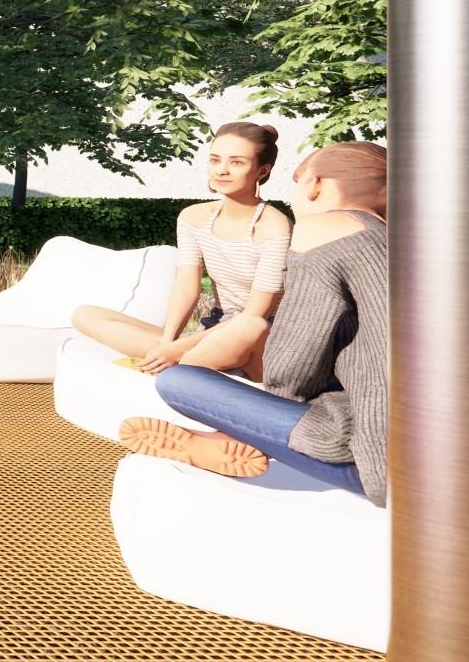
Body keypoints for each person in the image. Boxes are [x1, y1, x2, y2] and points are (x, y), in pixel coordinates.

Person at [121, 142, 388, 503]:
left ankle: (222, 441)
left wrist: (257, 423)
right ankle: (214, 442)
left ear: (315, 185)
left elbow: (294, 363)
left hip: (385, 468)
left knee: (179, 381)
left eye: (297, 182)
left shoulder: (324, 227)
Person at [71, 122, 291, 377]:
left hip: (261, 339)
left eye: (237, 162)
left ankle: (179, 367)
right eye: (215, 160)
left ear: (262, 170)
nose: (221, 170)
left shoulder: (276, 228)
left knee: (249, 325)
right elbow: (187, 289)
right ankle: (186, 364)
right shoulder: (192, 217)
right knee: (85, 315)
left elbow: (256, 315)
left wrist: (177, 349)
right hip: (212, 330)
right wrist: (169, 342)